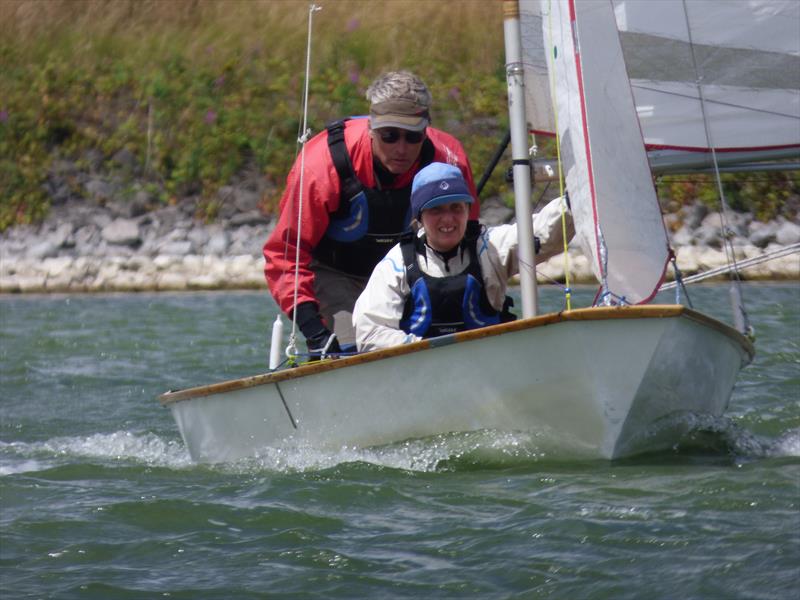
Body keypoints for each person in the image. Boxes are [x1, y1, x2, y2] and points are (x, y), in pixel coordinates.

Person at [263, 71, 480, 357]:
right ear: (371, 128)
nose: (401, 149)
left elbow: (471, 237)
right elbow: (286, 255)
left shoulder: (448, 159)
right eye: (389, 136)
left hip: (409, 272)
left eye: (413, 136)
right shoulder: (321, 166)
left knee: (433, 344)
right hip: (336, 275)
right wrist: (312, 327)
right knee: (353, 350)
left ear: (426, 129)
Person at [352, 162, 573, 352]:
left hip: (489, 370)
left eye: (456, 207)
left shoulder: (490, 247)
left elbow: (544, 231)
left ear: (468, 210)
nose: (448, 219)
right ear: (419, 216)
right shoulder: (396, 264)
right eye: (436, 209)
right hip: (421, 373)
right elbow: (370, 332)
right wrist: (425, 349)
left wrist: (575, 200)